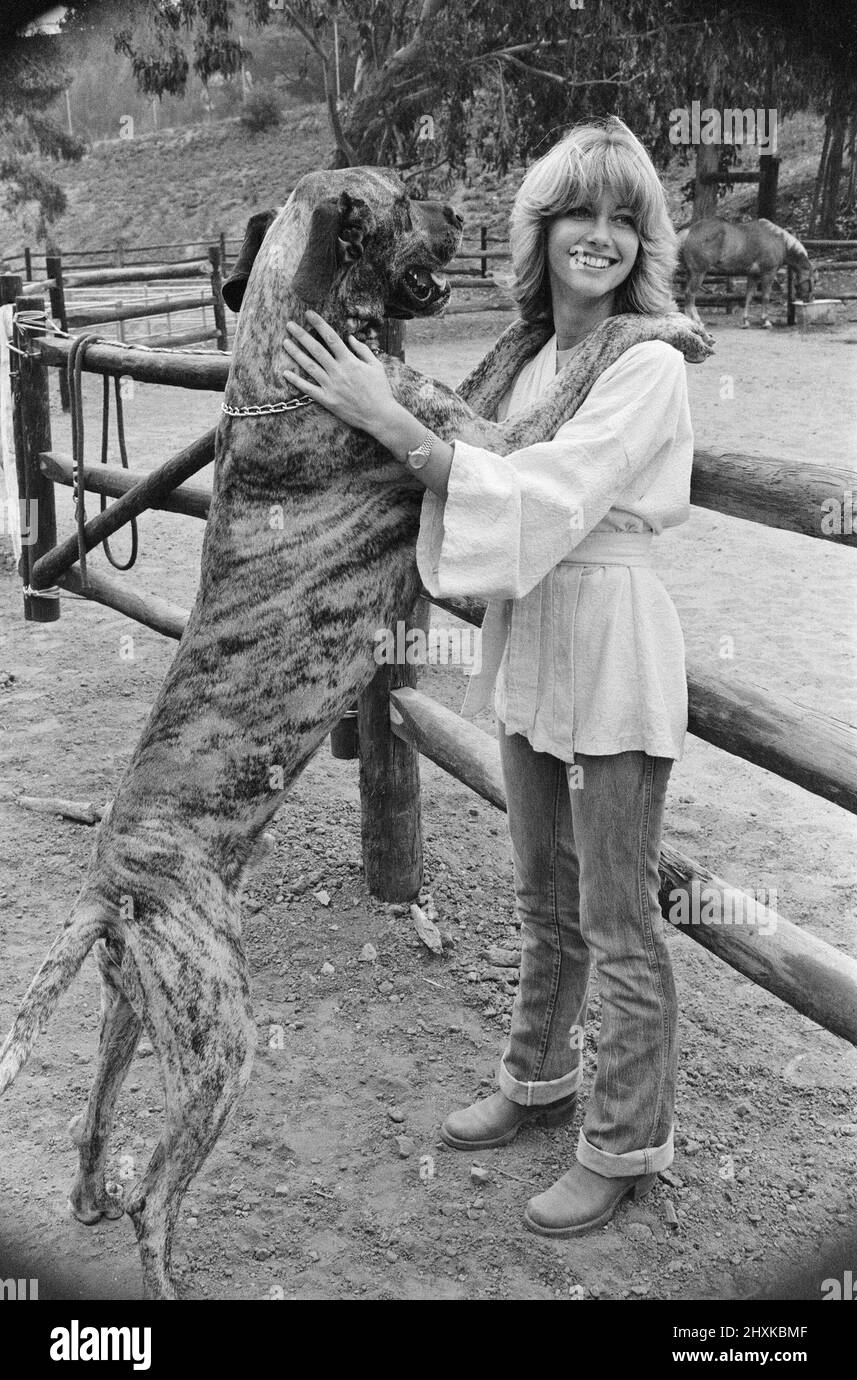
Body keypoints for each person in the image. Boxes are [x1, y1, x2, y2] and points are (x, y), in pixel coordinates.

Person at [280, 116, 695, 1238]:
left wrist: (385, 414)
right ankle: (535, 1075)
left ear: (642, 239)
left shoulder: (648, 362)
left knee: (616, 913)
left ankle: (618, 1140)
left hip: (608, 635)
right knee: (542, 893)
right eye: (577, 212)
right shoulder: (519, 360)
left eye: (622, 217)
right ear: (542, 227)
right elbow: (475, 452)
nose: (597, 236)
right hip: (533, 632)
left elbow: (549, 495)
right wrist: (360, 401)